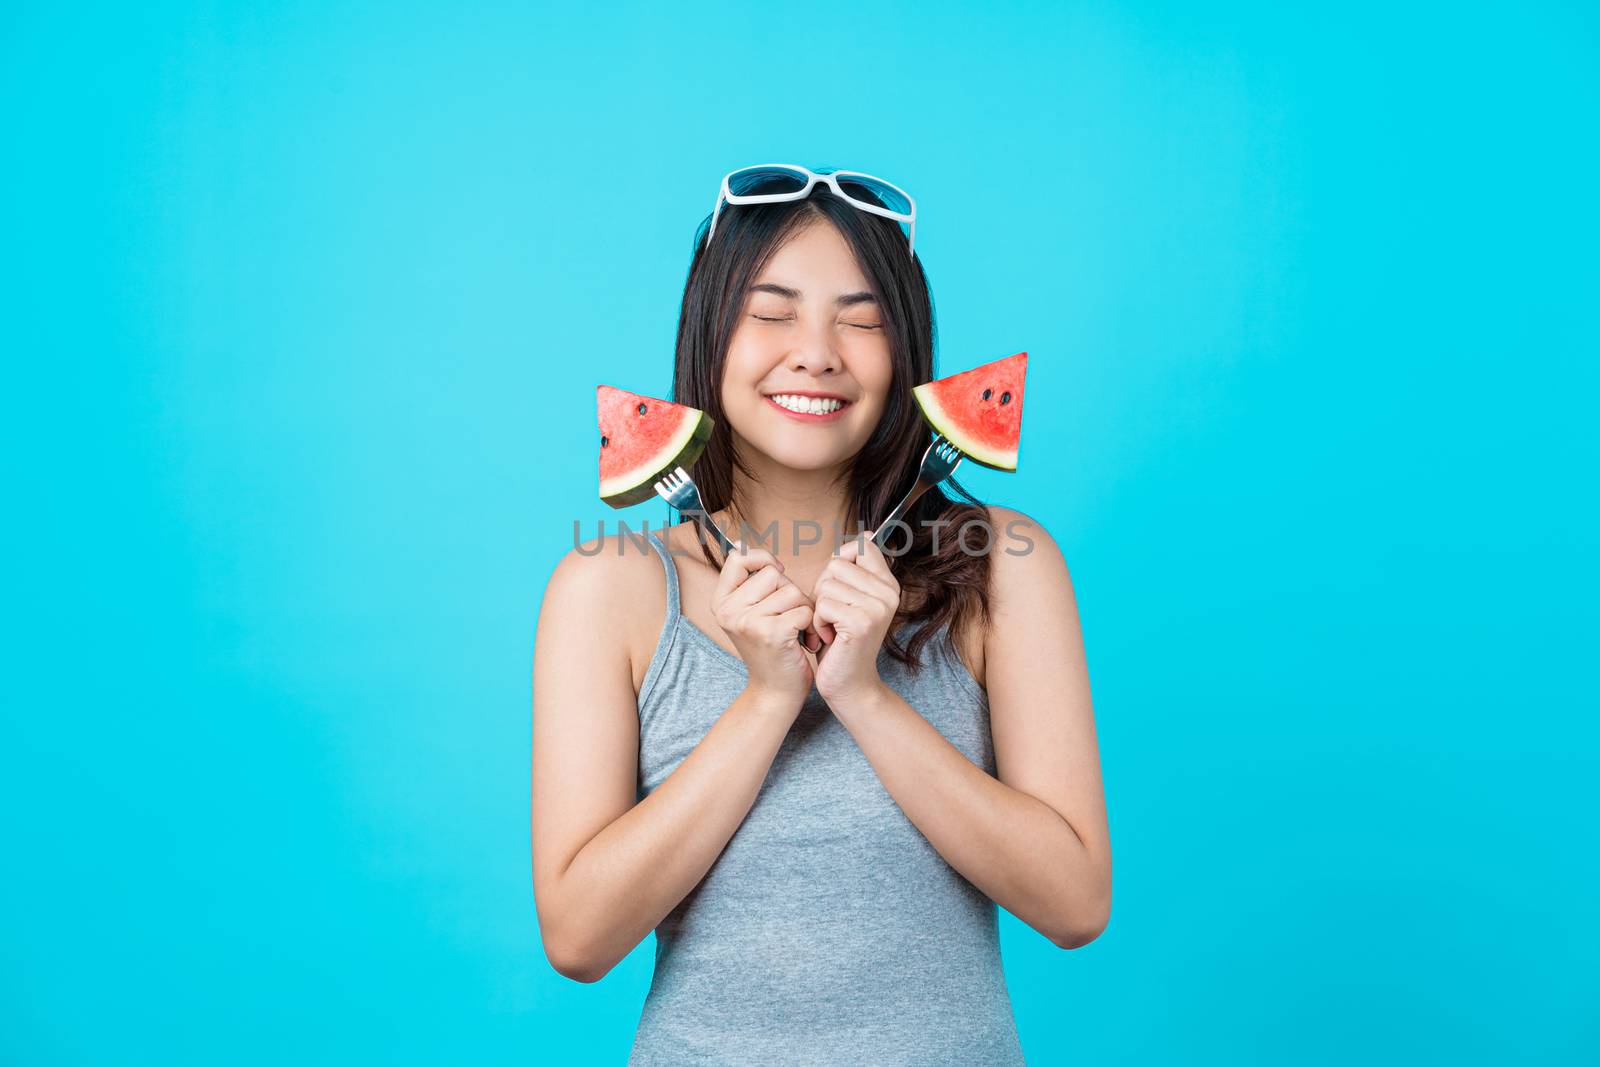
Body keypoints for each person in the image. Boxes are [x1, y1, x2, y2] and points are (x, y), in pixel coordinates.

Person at [531, 164, 1110, 1065]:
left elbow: (1074, 903)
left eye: (862, 316)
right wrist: (766, 699)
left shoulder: (1003, 564)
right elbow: (578, 938)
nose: (818, 351)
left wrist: (867, 696)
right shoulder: (609, 586)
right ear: (709, 334)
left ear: (906, 349)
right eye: (771, 311)